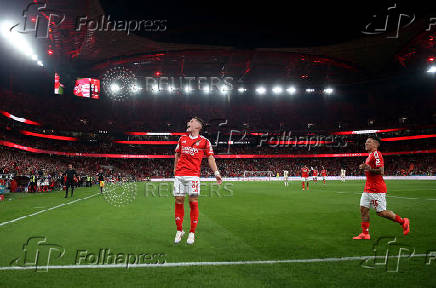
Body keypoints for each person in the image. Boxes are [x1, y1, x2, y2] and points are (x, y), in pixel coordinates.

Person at [173, 117, 222, 245]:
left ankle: (192, 232)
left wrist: (216, 173)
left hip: (193, 176)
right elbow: (177, 154)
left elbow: (210, 158)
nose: (188, 122)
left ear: (198, 126)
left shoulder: (205, 142)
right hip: (180, 175)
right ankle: (179, 230)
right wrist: (175, 169)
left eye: (192, 121)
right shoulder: (182, 139)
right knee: (178, 200)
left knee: (193, 201)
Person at [353, 136, 410, 240]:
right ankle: (365, 234)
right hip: (368, 188)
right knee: (363, 210)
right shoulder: (369, 156)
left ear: (376, 144)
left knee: (381, 212)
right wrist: (364, 167)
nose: (366, 144)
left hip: (377, 189)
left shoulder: (377, 154)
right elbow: (369, 169)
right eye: (366, 142)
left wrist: (368, 169)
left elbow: (381, 171)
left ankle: (403, 221)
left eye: (369, 142)